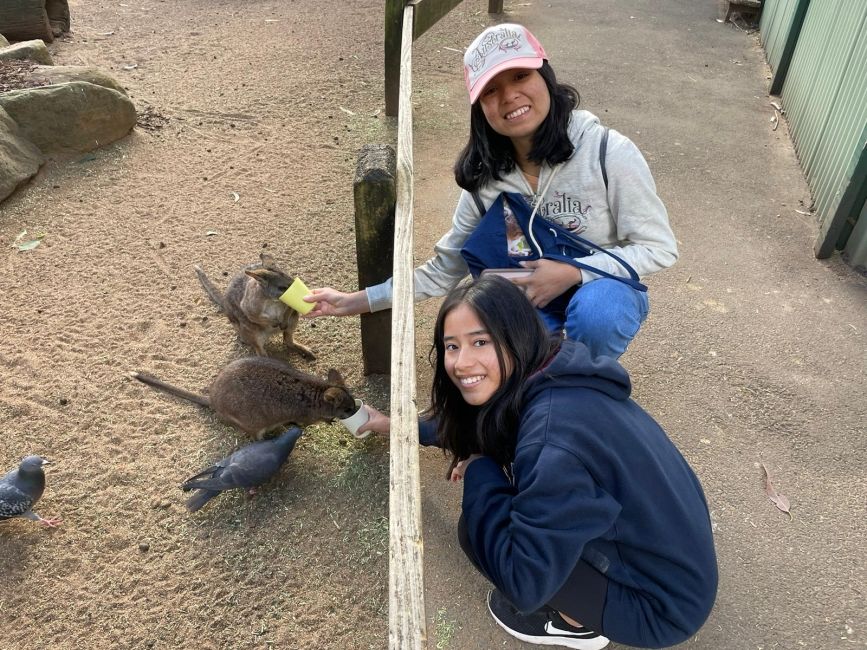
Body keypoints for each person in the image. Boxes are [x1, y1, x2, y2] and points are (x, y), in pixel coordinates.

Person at [359, 274, 718, 650]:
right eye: (452, 346)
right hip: (681, 559)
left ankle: (574, 624)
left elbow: (524, 581)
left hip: (661, 609)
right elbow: (476, 426)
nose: (462, 363)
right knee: (514, 486)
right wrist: (391, 424)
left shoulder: (551, 445)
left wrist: (481, 469)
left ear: (514, 335)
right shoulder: (557, 368)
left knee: (477, 525)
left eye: (480, 341)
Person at [306, 22, 677, 359]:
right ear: (479, 106)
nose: (510, 96)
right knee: (478, 330)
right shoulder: (485, 181)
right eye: (491, 90)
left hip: (600, 287)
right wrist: (353, 302)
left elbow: (658, 248)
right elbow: (444, 269)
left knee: (599, 313)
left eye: (520, 76)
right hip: (528, 292)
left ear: (544, 77)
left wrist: (572, 271)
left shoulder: (607, 152)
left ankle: (587, 385)